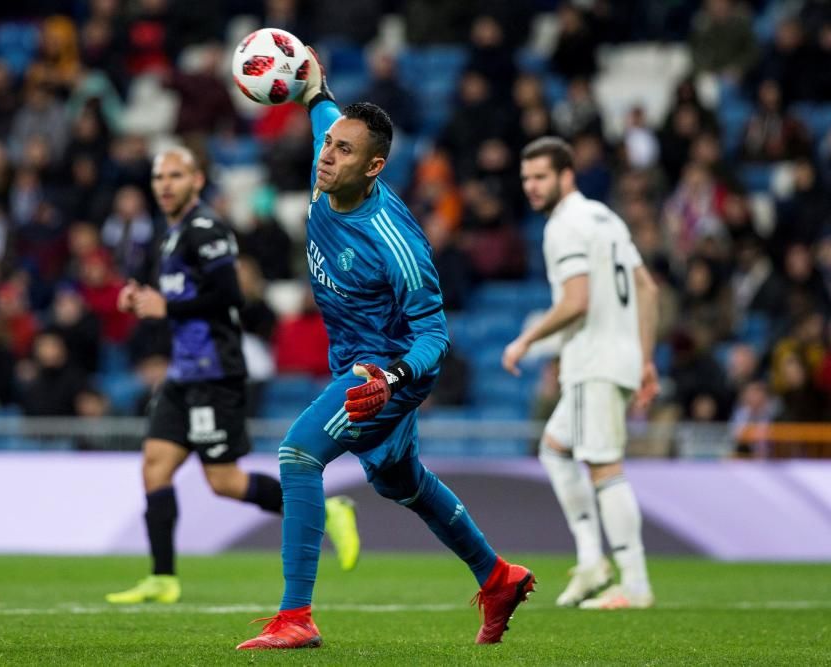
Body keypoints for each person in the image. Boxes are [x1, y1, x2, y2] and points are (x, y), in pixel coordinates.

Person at [237, 51, 534, 651]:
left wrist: (393, 379)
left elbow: (434, 336)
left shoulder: (394, 241)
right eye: (329, 144)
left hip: (385, 370)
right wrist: (313, 81)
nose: (327, 154)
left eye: (344, 151)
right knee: (401, 484)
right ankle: (498, 577)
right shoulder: (330, 156)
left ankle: (296, 616)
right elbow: (321, 104)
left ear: (374, 167)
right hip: (355, 355)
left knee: (298, 455)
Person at [106, 146, 359, 605]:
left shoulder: (207, 230)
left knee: (223, 481)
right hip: (183, 376)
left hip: (215, 373)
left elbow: (228, 296)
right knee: (154, 467)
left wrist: (166, 307)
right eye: (159, 177)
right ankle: (163, 577)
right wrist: (142, 298)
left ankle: (330, 509)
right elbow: (183, 296)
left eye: (176, 175)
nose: (165, 184)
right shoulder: (171, 236)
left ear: (197, 181)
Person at [503, 136, 659, 610]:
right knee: (555, 448)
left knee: (604, 465)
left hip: (593, 361)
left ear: (566, 175)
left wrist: (527, 339)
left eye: (540, 177)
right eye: (526, 178)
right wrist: (646, 358)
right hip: (617, 356)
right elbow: (647, 289)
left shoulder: (563, 226)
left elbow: (576, 301)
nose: (531, 187)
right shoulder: (605, 217)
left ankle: (634, 584)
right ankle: (592, 559)